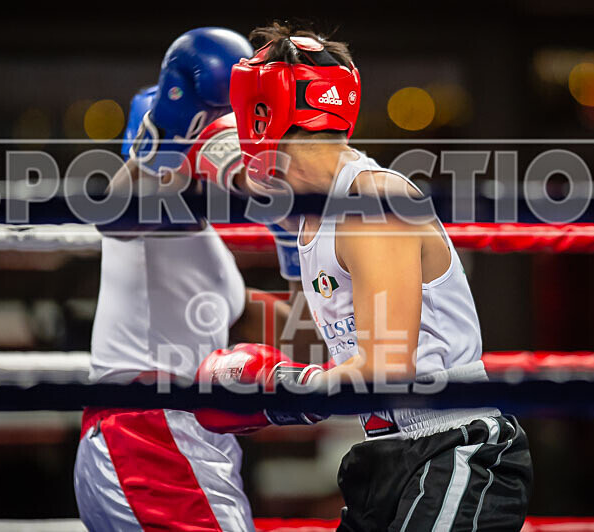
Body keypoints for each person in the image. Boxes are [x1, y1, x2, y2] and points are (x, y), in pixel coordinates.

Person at [203, 23, 533, 531]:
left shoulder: (371, 206)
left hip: (455, 447)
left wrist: (281, 390)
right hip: (388, 454)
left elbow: (385, 367)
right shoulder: (310, 206)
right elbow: (231, 168)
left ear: (260, 113)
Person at [74, 27, 261, 532]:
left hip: (186, 438)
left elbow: (266, 322)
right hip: (147, 438)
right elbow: (113, 211)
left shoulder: (202, 239)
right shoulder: (146, 219)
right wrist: (159, 147)